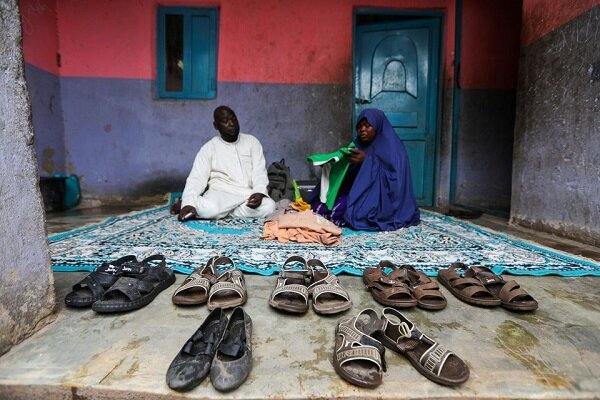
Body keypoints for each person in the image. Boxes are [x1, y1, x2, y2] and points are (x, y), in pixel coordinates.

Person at [310, 108, 420, 231]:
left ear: (377, 127)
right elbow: (350, 177)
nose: (362, 130)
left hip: (385, 200)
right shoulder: (359, 144)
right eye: (360, 126)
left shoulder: (393, 149)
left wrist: (366, 161)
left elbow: (396, 183)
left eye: (368, 126)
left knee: (355, 213)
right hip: (362, 190)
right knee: (322, 205)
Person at [174, 106, 276, 221]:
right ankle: (189, 202)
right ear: (216, 126)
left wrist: (258, 192)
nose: (231, 124)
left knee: (269, 206)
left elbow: (259, 172)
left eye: (233, 119)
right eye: (225, 121)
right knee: (211, 209)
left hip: (246, 194)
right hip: (220, 194)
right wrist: (188, 202)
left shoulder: (252, 142)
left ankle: (222, 212)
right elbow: (197, 178)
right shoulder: (209, 148)